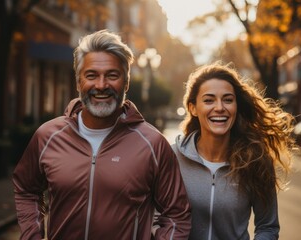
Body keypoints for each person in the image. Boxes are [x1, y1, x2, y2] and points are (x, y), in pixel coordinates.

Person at [13, 29, 191, 240]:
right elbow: (25, 188)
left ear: (126, 82)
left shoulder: (153, 144)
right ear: (79, 82)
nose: (101, 85)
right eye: (91, 75)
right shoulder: (47, 136)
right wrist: (32, 236)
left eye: (112, 75)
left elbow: (177, 215)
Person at [172, 61, 296, 240]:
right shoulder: (173, 157)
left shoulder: (256, 160)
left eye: (228, 100)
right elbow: (157, 216)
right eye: (209, 100)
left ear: (236, 107)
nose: (220, 107)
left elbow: (267, 227)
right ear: (193, 108)